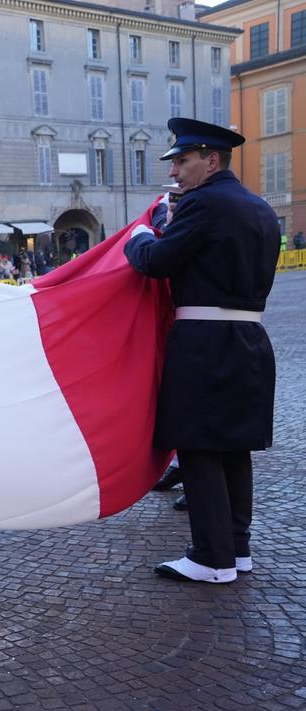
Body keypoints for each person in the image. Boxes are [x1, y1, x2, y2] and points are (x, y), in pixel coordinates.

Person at [124, 117, 279, 584]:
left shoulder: (203, 204)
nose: (175, 172)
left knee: (199, 447)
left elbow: (155, 263)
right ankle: (236, 547)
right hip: (249, 339)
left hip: (204, 343)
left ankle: (212, 558)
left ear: (211, 160)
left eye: (183, 161)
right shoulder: (260, 207)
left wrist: (141, 234)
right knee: (234, 447)